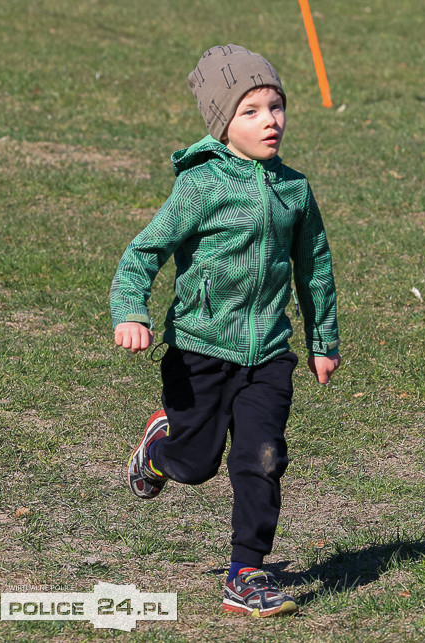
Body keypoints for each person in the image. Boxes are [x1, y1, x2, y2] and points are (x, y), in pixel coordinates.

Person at [110, 44, 341, 617]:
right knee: (196, 463)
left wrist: (322, 341)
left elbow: (315, 265)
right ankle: (160, 453)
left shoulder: (294, 189)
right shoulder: (201, 186)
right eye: (251, 110)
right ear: (222, 123)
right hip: (198, 351)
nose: (270, 121)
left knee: (262, 457)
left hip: (268, 353)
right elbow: (143, 253)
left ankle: (247, 572)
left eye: (276, 106)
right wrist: (130, 311)